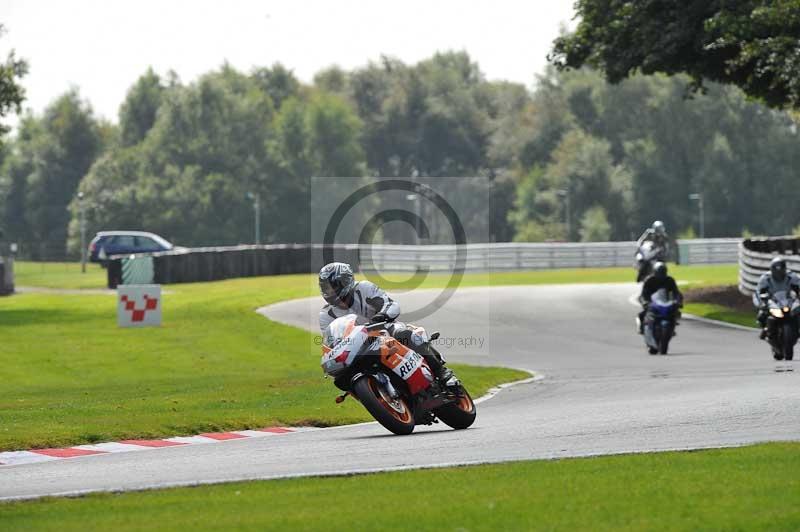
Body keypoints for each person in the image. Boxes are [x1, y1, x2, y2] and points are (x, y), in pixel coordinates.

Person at [318, 262, 455, 385]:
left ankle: (441, 372)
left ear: (345, 282)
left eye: (332, 287)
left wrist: (382, 315)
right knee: (342, 376)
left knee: (406, 334)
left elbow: (390, 304)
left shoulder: (364, 288)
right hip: (356, 346)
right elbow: (330, 342)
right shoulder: (326, 315)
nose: (328, 292)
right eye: (325, 288)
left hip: (384, 328)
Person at [754, 256, 800, 340]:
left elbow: (798, 287)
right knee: (762, 314)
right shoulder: (765, 278)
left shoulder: (792, 276)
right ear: (772, 270)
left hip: (787, 300)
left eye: (781, 270)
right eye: (776, 271)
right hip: (772, 300)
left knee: (797, 311)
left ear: (785, 269)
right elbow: (758, 292)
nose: (779, 273)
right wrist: (762, 302)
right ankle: (765, 329)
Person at [637, 261, 683, 335]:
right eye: (660, 272)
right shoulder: (649, 280)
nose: (661, 274)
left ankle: (672, 327)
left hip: (665, 301)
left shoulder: (670, 280)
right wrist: (645, 302)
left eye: (663, 272)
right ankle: (642, 328)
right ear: (655, 271)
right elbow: (643, 294)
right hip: (652, 302)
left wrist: (678, 301)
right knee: (643, 314)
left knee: (675, 312)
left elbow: (676, 292)